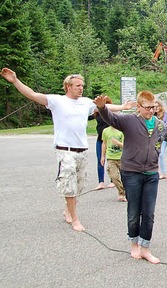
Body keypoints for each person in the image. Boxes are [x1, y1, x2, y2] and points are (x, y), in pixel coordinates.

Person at [1, 68, 131, 232]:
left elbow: (104, 107)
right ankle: (74, 218)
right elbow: (33, 95)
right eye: (77, 85)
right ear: (68, 86)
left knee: (79, 185)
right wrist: (15, 81)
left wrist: (123, 106)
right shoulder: (57, 101)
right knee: (68, 183)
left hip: (82, 150)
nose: (81, 88)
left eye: (82, 85)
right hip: (65, 150)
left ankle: (67, 209)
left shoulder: (85, 102)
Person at [95, 91, 167, 264]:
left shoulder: (158, 124)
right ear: (139, 106)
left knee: (148, 213)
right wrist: (101, 107)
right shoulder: (129, 121)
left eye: (154, 108)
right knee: (134, 211)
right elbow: (111, 118)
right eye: (148, 108)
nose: (152, 111)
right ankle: (134, 243)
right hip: (131, 171)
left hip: (151, 173)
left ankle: (145, 248)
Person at [91, 97, 116, 190]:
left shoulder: (110, 112)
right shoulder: (96, 112)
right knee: (100, 160)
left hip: (109, 138)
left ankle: (113, 180)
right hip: (100, 138)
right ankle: (101, 182)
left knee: (111, 160)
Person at [101, 126, 126, 201]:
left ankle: (127, 193)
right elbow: (104, 143)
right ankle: (121, 192)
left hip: (122, 157)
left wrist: (117, 143)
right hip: (111, 157)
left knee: (126, 177)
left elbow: (126, 146)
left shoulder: (122, 131)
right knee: (113, 176)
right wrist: (103, 156)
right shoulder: (105, 131)